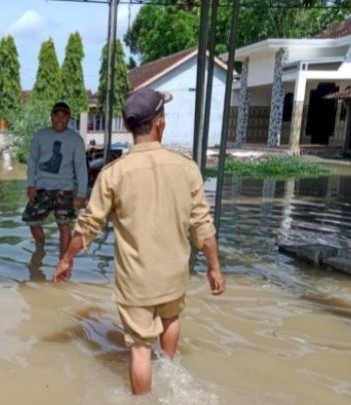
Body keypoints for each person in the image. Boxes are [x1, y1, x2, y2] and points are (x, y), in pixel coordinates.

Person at [53, 88, 225, 395]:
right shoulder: (186, 167)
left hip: (136, 280)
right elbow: (203, 225)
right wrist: (214, 267)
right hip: (174, 273)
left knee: (140, 349)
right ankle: (169, 374)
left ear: (132, 128)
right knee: (171, 319)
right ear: (160, 123)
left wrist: (67, 259)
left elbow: (89, 224)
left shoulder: (113, 173)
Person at [22, 101, 88, 258]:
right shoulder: (40, 135)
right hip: (41, 187)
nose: (60, 119)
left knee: (64, 225)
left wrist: (81, 194)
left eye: (64, 116)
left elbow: (81, 167)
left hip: (65, 188)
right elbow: (32, 161)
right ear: (51, 116)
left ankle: (63, 260)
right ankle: (40, 249)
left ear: (69, 118)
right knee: (32, 221)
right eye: (56, 115)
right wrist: (31, 184)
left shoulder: (76, 139)